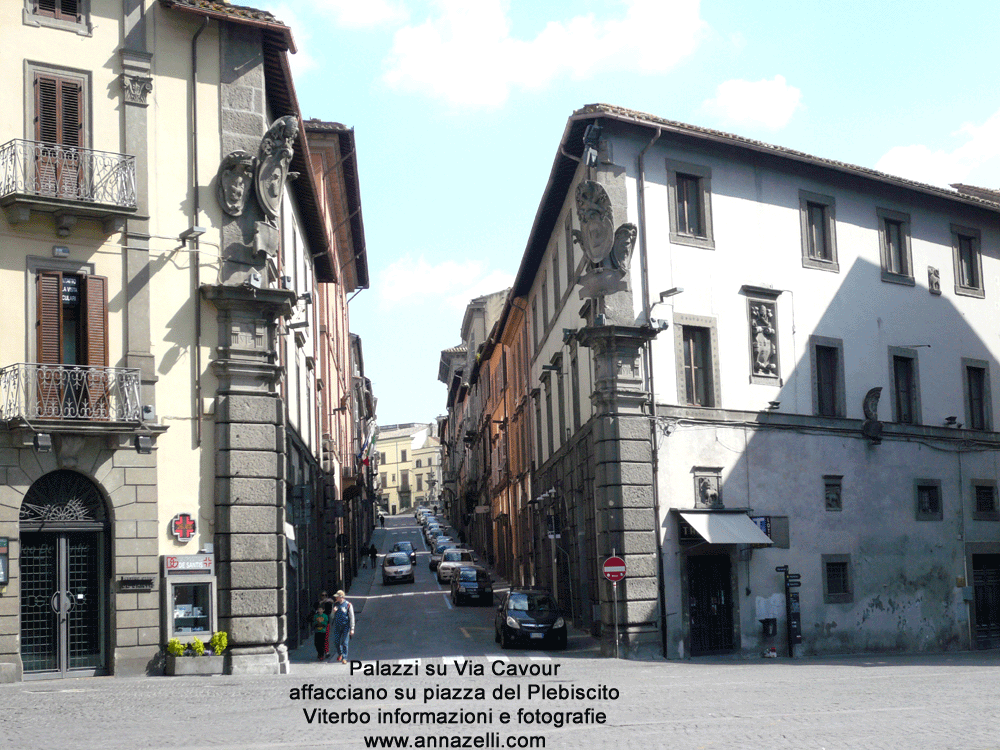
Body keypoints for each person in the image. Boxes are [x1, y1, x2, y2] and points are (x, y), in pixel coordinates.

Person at [330, 590, 355, 663]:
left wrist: (352, 628)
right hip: (337, 626)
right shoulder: (335, 605)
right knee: (336, 642)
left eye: (337, 597)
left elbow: (352, 617)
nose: (336, 598)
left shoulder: (348, 605)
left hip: (345, 626)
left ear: (341, 597)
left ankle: (344, 658)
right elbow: (331, 617)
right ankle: (340, 653)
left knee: (344, 642)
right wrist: (333, 612)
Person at [319, 591, 335, 657]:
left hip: (326, 623)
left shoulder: (328, 603)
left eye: (325, 595)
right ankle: (321, 652)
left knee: (325, 638)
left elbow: (329, 611)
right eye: (323, 595)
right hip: (319, 623)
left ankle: (327, 651)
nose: (324, 596)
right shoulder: (319, 603)